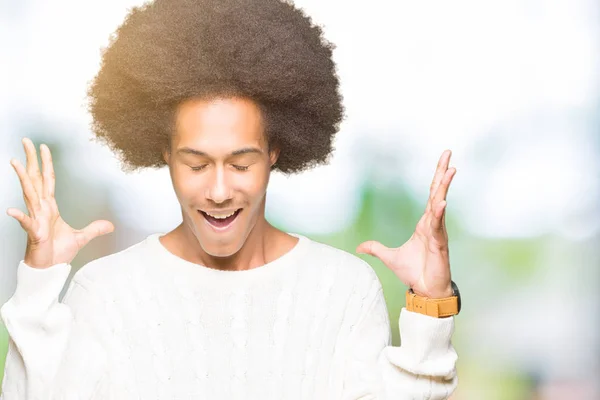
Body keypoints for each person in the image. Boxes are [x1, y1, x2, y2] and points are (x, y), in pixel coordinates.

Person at [1, 0, 460, 398]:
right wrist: (39, 284)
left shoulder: (343, 289)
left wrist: (430, 303)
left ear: (275, 151)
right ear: (164, 155)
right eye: (196, 164)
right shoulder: (104, 292)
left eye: (241, 164)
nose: (219, 191)